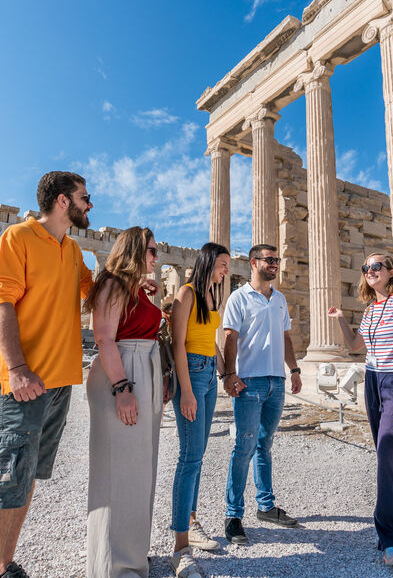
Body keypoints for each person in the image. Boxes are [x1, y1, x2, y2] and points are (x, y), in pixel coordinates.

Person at [0, 170, 94, 578]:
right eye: (84, 197)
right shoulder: (17, 238)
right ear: (63, 201)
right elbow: (1, 304)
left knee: (25, 481)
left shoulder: (72, 251)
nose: (89, 205)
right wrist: (18, 369)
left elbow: (92, 294)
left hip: (57, 383)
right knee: (3, 484)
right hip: (20, 384)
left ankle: (3, 566)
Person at [328, 253, 393, 566]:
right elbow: (355, 346)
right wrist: (341, 319)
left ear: (390, 272)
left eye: (377, 266)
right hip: (372, 382)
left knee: (388, 454)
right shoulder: (371, 309)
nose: (370, 271)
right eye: (366, 268)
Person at [84, 226, 167, 578]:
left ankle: (132, 557)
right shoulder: (112, 285)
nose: (155, 257)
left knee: (139, 469)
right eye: (150, 251)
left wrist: (154, 296)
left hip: (142, 371)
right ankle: (112, 567)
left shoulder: (134, 290)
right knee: (118, 471)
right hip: (125, 374)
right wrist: (122, 388)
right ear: (134, 251)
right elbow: (104, 338)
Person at [220, 243, 302, 546]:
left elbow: (285, 338)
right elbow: (230, 337)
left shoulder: (279, 299)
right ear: (254, 263)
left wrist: (294, 369)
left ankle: (266, 507)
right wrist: (230, 374)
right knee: (243, 447)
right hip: (249, 381)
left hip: (275, 382)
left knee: (265, 446)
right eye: (270, 260)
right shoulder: (238, 298)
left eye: (277, 260)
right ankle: (233, 515)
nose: (275, 264)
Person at [167, 243, 230, 576]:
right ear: (208, 262)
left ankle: (191, 522)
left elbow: (211, 342)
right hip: (190, 374)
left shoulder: (211, 297)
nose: (225, 270)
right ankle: (180, 548)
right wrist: (186, 391)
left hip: (208, 373)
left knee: (198, 454)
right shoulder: (187, 293)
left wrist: (227, 374)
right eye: (222, 264)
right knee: (189, 456)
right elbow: (178, 343)